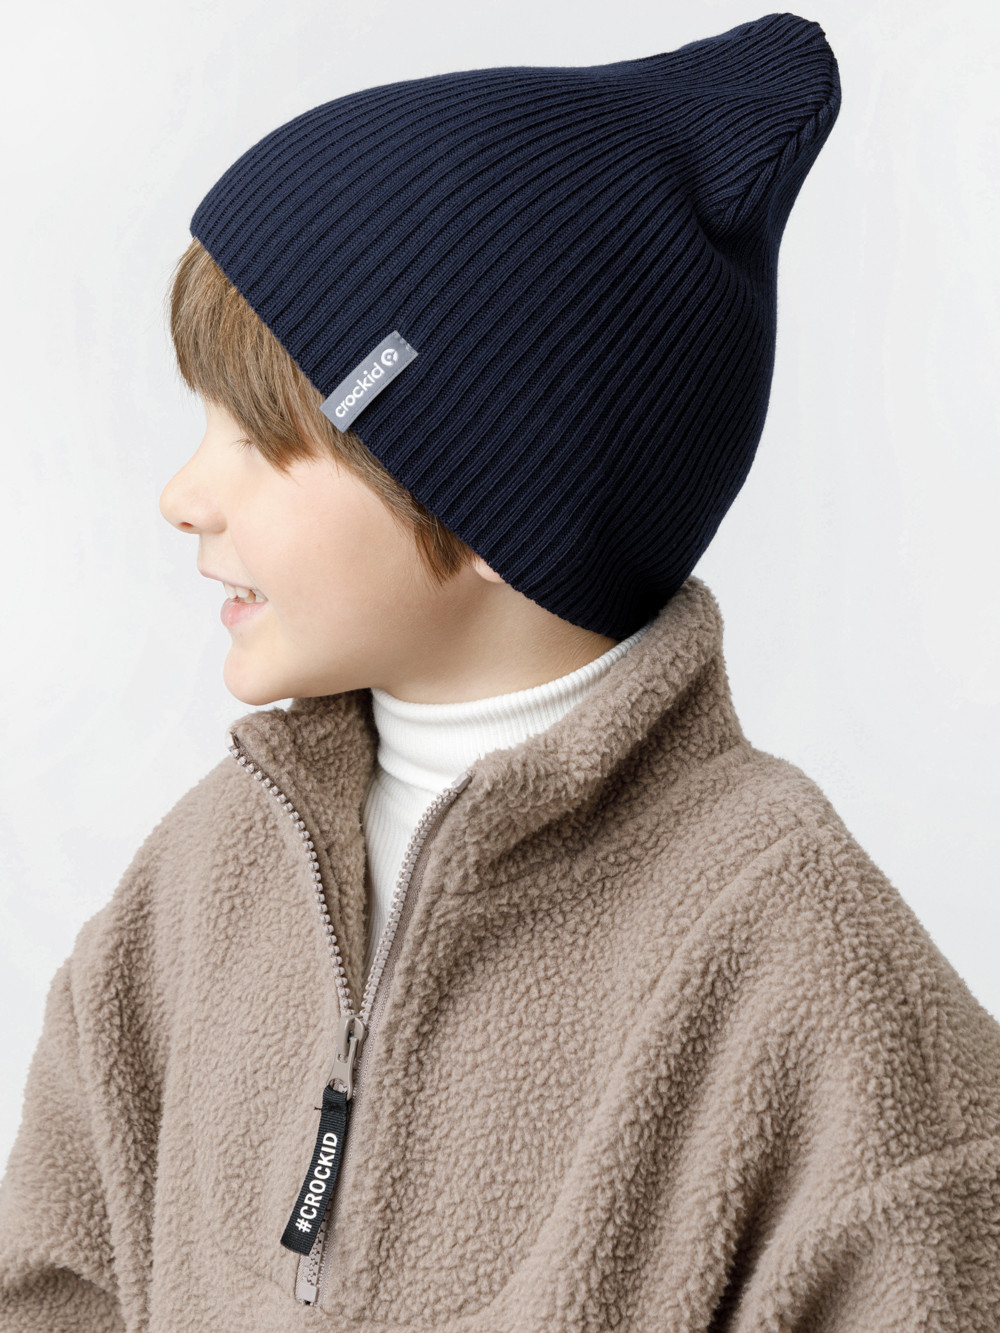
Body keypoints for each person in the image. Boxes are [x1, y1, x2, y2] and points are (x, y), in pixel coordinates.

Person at [2, 12, 998, 1330]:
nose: (185, 494)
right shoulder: (199, 887)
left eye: (257, 436)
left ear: (485, 493)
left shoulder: (794, 955)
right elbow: (54, 1278)